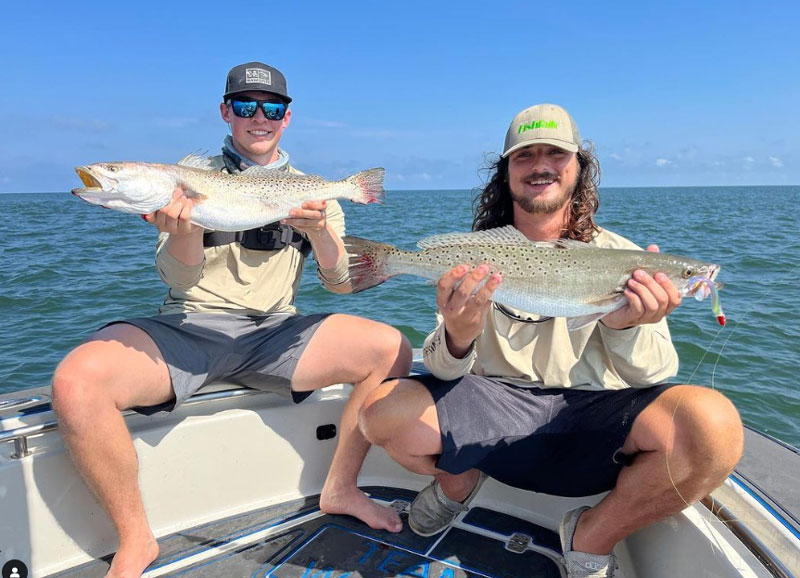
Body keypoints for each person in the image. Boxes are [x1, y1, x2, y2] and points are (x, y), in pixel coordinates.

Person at [52, 61, 411, 578]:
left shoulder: (311, 189)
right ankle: (135, 541)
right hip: (190, 326)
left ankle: (340, 488)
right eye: (245, 106)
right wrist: (182, 229)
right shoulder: (187, 178)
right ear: (226, 112)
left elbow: (338, 283)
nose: (258, 117)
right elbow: (178, 272)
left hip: (275, 332)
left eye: (271, 108)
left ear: (287, 117)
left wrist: (322, 233)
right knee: (75, 381)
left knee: (391, 348)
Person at [358, 104, 743, 577]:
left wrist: (625, 325)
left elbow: (655, 376)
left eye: (555, 154)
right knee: (380, 413)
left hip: (590, 416)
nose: (540, 165)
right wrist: (458, 334)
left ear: (580, 168)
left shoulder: (624, 257)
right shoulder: (479, 254)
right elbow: (442, 370)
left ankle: (590, 537)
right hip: (493, 408)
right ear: (507, 172)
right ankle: (457, 483)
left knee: (713, 427)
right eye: (525, 156)